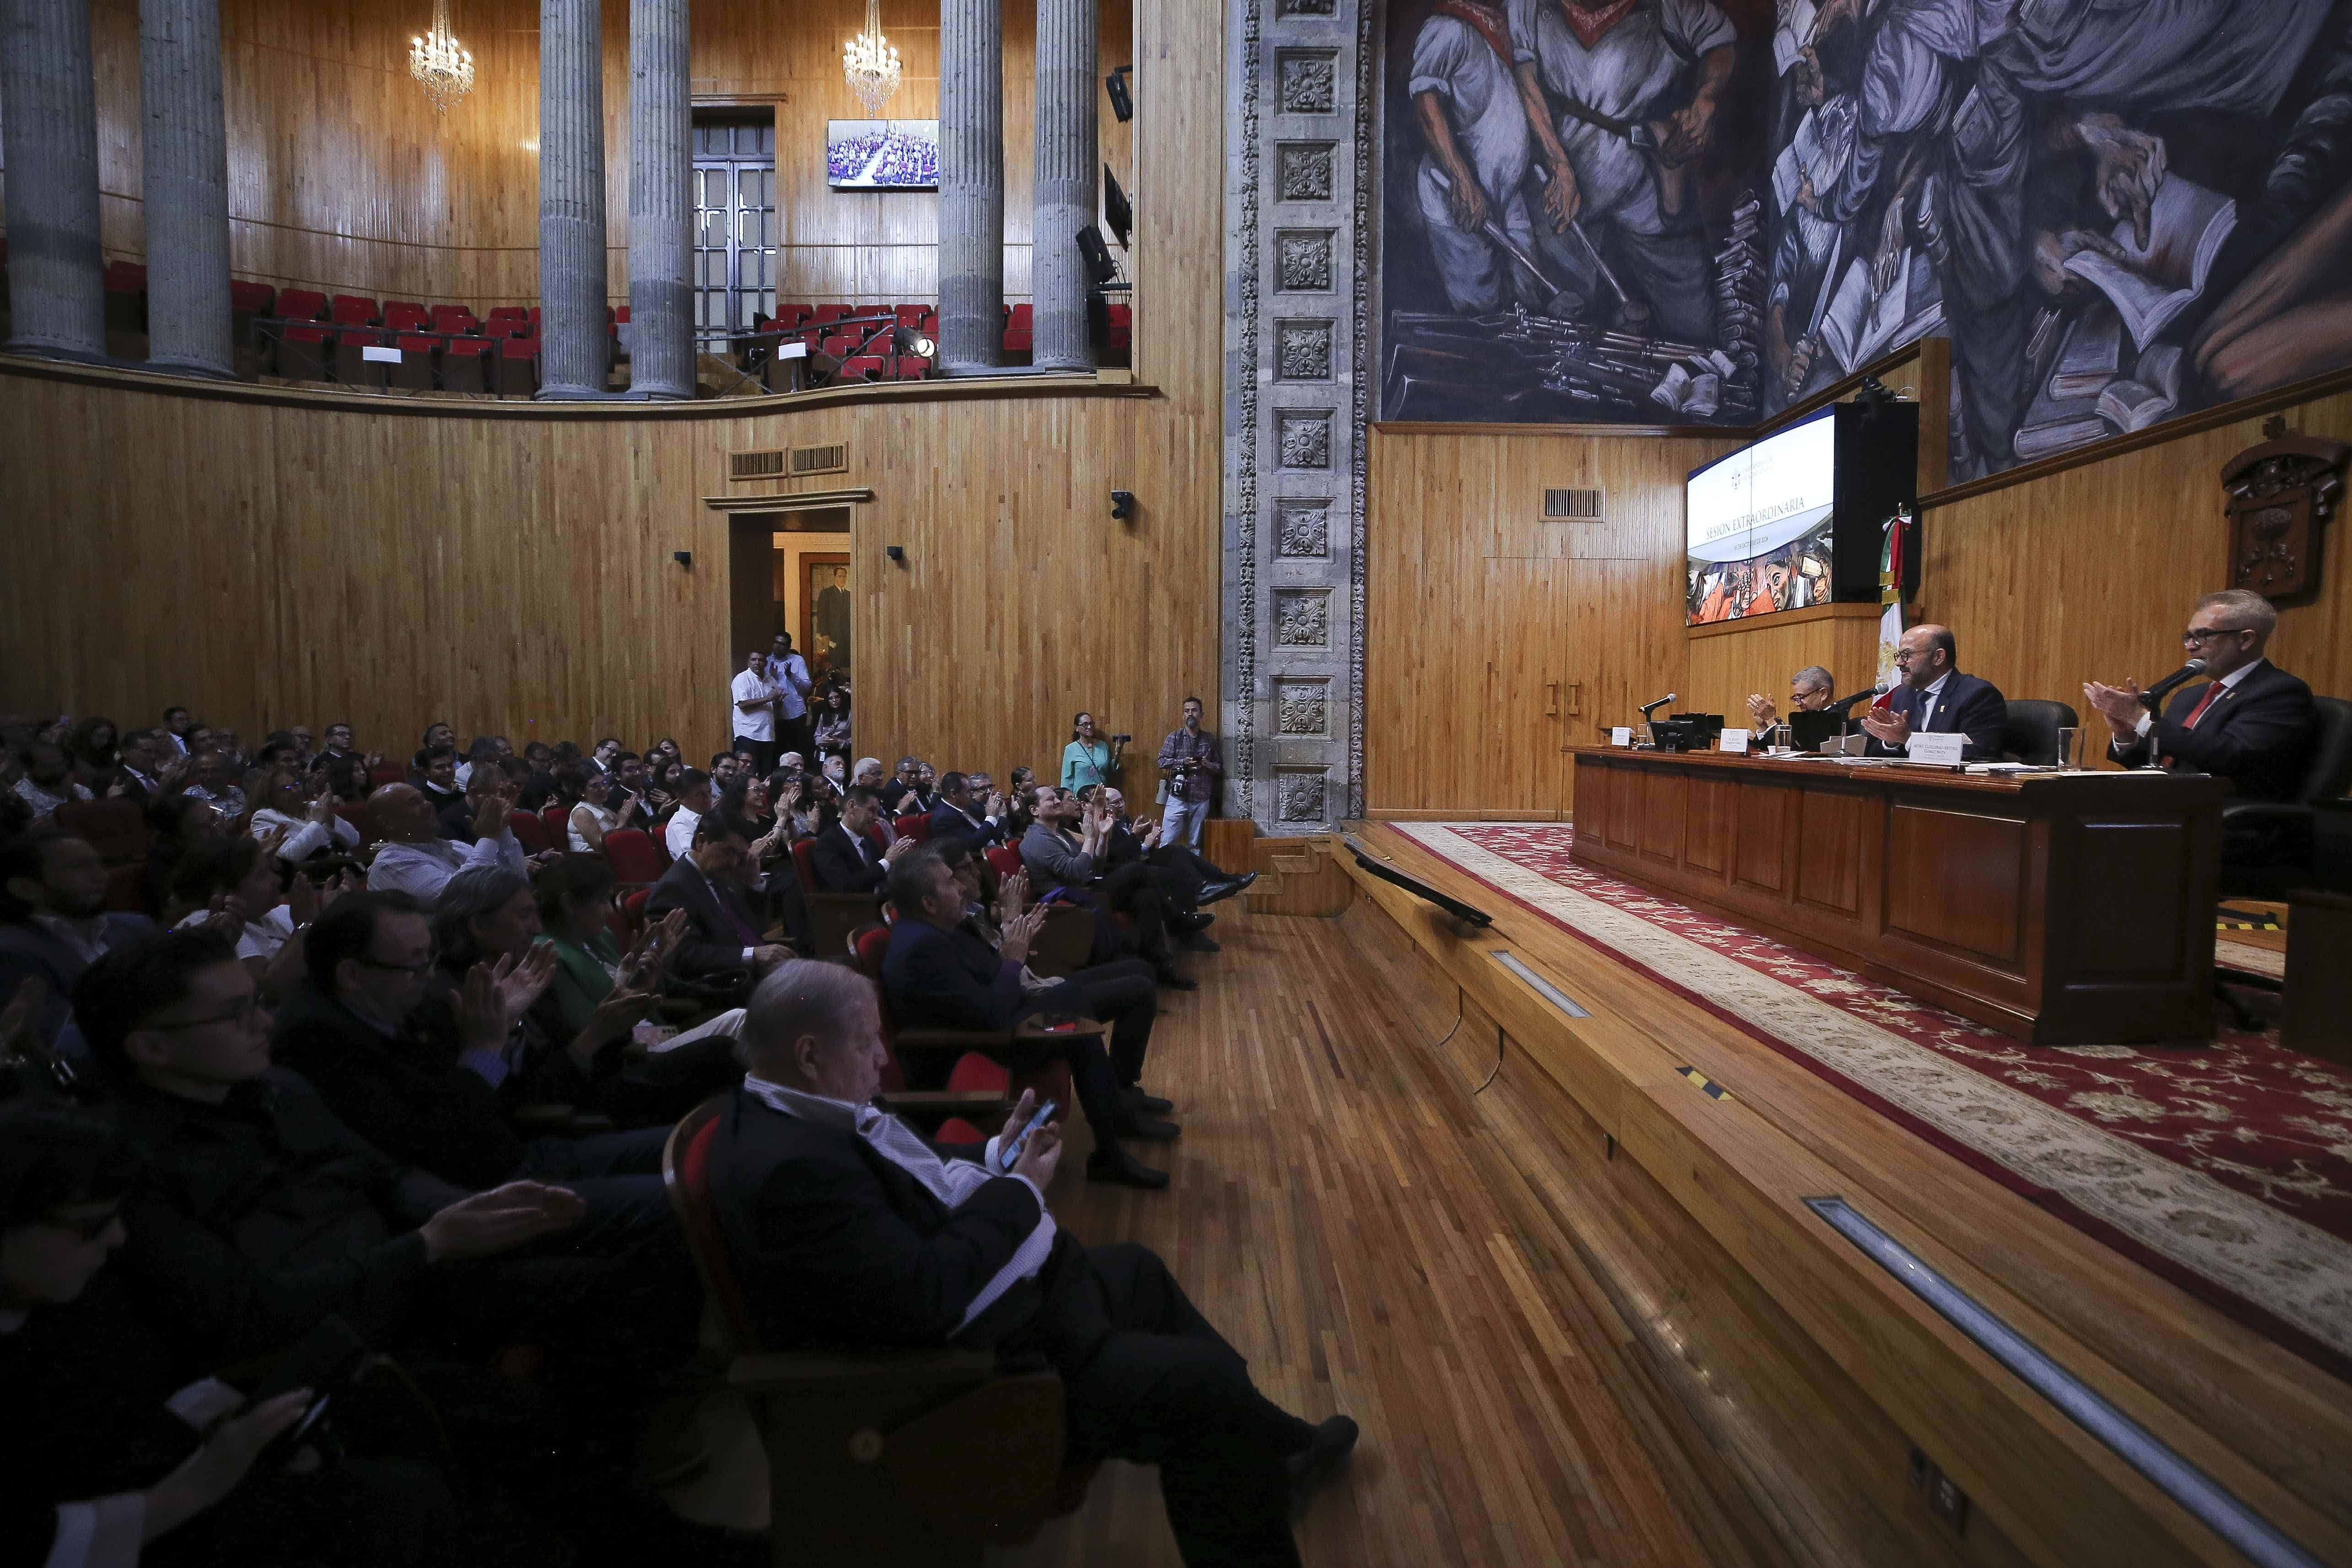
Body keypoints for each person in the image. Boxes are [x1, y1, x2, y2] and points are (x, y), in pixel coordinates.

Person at [705, 961, 1357, 1564]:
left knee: (1136, 1268)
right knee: (1205, 1386)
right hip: (980, 1376)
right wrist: (1019, 1191)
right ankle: (1249, 1452)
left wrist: (996, 1154)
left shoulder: (802, 1108)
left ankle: (1281, 1453)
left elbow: (917, 1176)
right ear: (809, 1054)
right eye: (866, 1042)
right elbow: (925, 1294)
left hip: (1023, 1302)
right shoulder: (791, 1170)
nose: (882, 1059)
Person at [74, 930, 693, 1378]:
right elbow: (248, 1309)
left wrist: (477, 1213)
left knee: (644, 1258)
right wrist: (431, 1241)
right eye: (238, 1013)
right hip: (346, 1328)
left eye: (260, 1002)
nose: (265, 1024)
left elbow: (385, 1172)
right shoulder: (125, 1164)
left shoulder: (276, 1089)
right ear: (152, 1047)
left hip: (420, 1260)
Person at [0, 1100, 461, 1568]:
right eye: (93, 1225)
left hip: (177, 1462)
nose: (117, 1237)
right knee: (398, 1502)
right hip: (143, 1526)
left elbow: (134, 1405)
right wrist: (200, 1483)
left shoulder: (78, 1296)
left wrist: (234, 1429)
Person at [883, 847, 1174, 1187]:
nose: (962, 887)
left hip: (1001, 1018)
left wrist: (1011, 949)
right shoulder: (923, 946)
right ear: (928, 903)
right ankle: (1113, 1135)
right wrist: (1013, 961)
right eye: (951, 882)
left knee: (1078, 1010)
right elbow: (990, 1013)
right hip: (980, 1046)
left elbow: (987, 980)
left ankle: (1112, 1138)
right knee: (1072, 1008)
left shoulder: (935, 930)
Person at [1507, 0, 1735, 342]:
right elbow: (1526, 85)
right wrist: (1559, 166)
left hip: (1645, 177)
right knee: (1568, 317)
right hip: (1560, 180)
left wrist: (1706, 98)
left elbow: (1719, 43)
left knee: (1691, 319)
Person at [2084, 589, 2319, 866]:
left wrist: (2141, 719)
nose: (2190, 646)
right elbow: (2160, 762)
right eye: (2188, 636)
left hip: (2228, 822)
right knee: (2068, 820)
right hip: (2165, 812)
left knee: (2083, 842)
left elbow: (2231, 755)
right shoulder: (2189, 696)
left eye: (2203, 635)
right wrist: (2126, 732)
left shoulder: (2280, 691)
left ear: (2246, 639)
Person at [1409, 0, 1537, 314]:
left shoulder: (1508, 26)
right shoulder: (1447, 29)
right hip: (1458, 196)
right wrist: (1461, 178)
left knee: (1531, 297)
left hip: (1507, 194)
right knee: (1481, 310)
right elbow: (1427, 105)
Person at [644, 813, 794, 987]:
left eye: (740, 855)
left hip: (758, 974)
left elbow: (754, 930)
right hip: (723, 984)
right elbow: (683, 956)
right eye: (728, 852)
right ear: (702, 842)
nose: (733, 862)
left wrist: (754, 882)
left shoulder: (720, 874)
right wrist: (751, 955)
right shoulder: (673, 889)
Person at [1859, 626, 2008, 760]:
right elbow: (1876, 756)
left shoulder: (1978, 695)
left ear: (1938, 657)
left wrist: (1909, 740)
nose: (1899, 663)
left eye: (1907, 655)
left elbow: (1979, 753)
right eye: (1899, 655)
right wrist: (1891, 742)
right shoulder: (1902, 694)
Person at [362, 783, 527, 904]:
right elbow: (459, 898)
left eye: (424, 799)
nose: (428, 805)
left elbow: (517, 882)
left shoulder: (458, 846)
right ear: (387, 823)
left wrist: (502, 829)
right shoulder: (391, 863)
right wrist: (488, 838)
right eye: (414, 803)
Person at [809, 785, 917, 894]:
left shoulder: (866, 838)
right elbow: (846, 886)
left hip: (879, 900)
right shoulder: (827, 843)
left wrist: (901, 859)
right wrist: (887, 861)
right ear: (852, 806)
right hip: (852, 907)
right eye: (871, 810)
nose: (876, 817)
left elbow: (882, 876)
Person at [1155, 697, 1224, 850]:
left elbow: (1219, 768)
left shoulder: (1210, 740)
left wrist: (1207, 764)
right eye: (1187, 711)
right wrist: (1183, 763)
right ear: (1183, 715)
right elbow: (1161, 762)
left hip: (1201, 798)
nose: (1190, 714)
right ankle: (1163, 872)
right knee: (1166, 840)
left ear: (1201, 715)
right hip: (1178, 797)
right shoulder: (1174, 738)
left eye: (1194, 711)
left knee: (1195, 843)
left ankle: (1194, 873)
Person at [14, 739, 96, 822]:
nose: (58, 771)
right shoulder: (20, 796)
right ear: (29, 768)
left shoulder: (81, 791)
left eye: (60, 764)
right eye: (48, 767)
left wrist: (74, 796)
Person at [1745, 664, 1838, 737]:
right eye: (1796, 698)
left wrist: (1771, 720)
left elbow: (1795, 749)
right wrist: (1763, 727)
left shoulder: (1837, 721)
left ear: (1823, 694)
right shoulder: (1805, 719)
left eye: (1801, 697)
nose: (1798, 703)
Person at [729, 651, 781, 777]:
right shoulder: (742, 679)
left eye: (761, 660)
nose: (757, 663)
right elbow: (742, 705)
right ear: (748, 662)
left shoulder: (771, 680)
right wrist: (768, 698)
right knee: (747, 774)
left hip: (768, 734)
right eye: (754, 660)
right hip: (748, 734)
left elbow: (776, 707)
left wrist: (778, 701)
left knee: (765, 774)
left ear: (766, 663)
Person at [926, 770, 1008, 851]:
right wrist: (991, 816)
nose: (972, 795)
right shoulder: (945, 818)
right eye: (968, 792)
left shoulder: (969, 807)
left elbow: (991, 834)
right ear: (953, 794)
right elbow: (973, 845)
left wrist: (998, 814)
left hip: (991, 850)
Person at [766, 632, 815, 763]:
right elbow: (763, 689)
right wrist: (772, 677)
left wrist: (791, 675)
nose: (778, 647)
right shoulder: (767, 662)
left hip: (796, 714)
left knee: (798, 752)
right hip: (775, 715)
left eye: (782, 644)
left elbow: (807, 687)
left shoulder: (797, 660)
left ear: (788, 647)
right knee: (778, 753)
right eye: (776, 643)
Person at [661, 768, 713, 861]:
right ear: (682, 797)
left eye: (709, 792)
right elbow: (694, 860)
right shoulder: (679, 825)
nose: (708, 799)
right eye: (700, 795)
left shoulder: (713, 817)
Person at [1061, 712, 1115, 794]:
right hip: (1081, 797)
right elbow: (1067, 778)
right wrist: (1067, 798)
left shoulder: (1103, 746)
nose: (1089, 727)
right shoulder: (1071, 749)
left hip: (1100, 794)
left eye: (1091, 724)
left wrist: (1118, 754)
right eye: (1085, 724)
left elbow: (1109, 771)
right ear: (1077, 728)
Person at [811, 685, 852, 762]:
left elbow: (855, 740)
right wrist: (822, 741)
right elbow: (817, 735)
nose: (834, 700)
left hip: (842, 752)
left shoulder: (851, 715)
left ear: (842, 698)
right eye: (831, 698)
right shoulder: (824, 715)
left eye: (837, 697)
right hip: (825, 751)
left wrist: (839, 742)